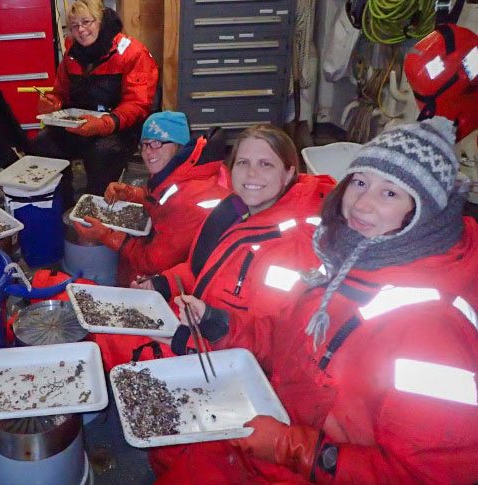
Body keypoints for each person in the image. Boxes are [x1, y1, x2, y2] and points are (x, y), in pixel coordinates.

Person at [159, 117, 478, 484]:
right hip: (275, 430)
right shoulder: (346, 265)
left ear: (425, 214)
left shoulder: (436, 329)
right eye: (360, 182)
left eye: (390, 192)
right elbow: (288, 340)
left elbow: (427, 475)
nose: (361, 204)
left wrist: (292, 448)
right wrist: (219, 325)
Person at [93, 125, 335, 370]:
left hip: (225, 361)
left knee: (101, 348)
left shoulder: (298, 246)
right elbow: (204, 270)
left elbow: (275, 345)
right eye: (243, 163)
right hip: (197, 329)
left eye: (265, 164)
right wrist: (162, 283)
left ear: (288, 173)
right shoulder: (236, 211)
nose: (251, 174)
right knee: (98, 320)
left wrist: (200, 332)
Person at [72, 111, 231, 286]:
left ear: (179, 145)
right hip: (176, 251)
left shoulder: (190, 198)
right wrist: (130, 193)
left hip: (189, 280)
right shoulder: (186, 168)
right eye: (144, 144)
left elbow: (152, 262)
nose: (148, 152)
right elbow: (162, 197)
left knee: (131, 273)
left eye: (157, 143)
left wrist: (106, 235)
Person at [30, 0, 159, 199]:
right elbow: (61, 92)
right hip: (81, 125)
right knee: (41, 145)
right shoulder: (72, 54)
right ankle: (60, 201)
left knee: (102, 154)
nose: (81, 30)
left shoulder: (132, 53)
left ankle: (96, 207)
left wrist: (106, 123)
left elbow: (138, 104)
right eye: (74, 26)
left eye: (86, 22)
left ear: (100, 21)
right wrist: (53, 103)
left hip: (119, 129)